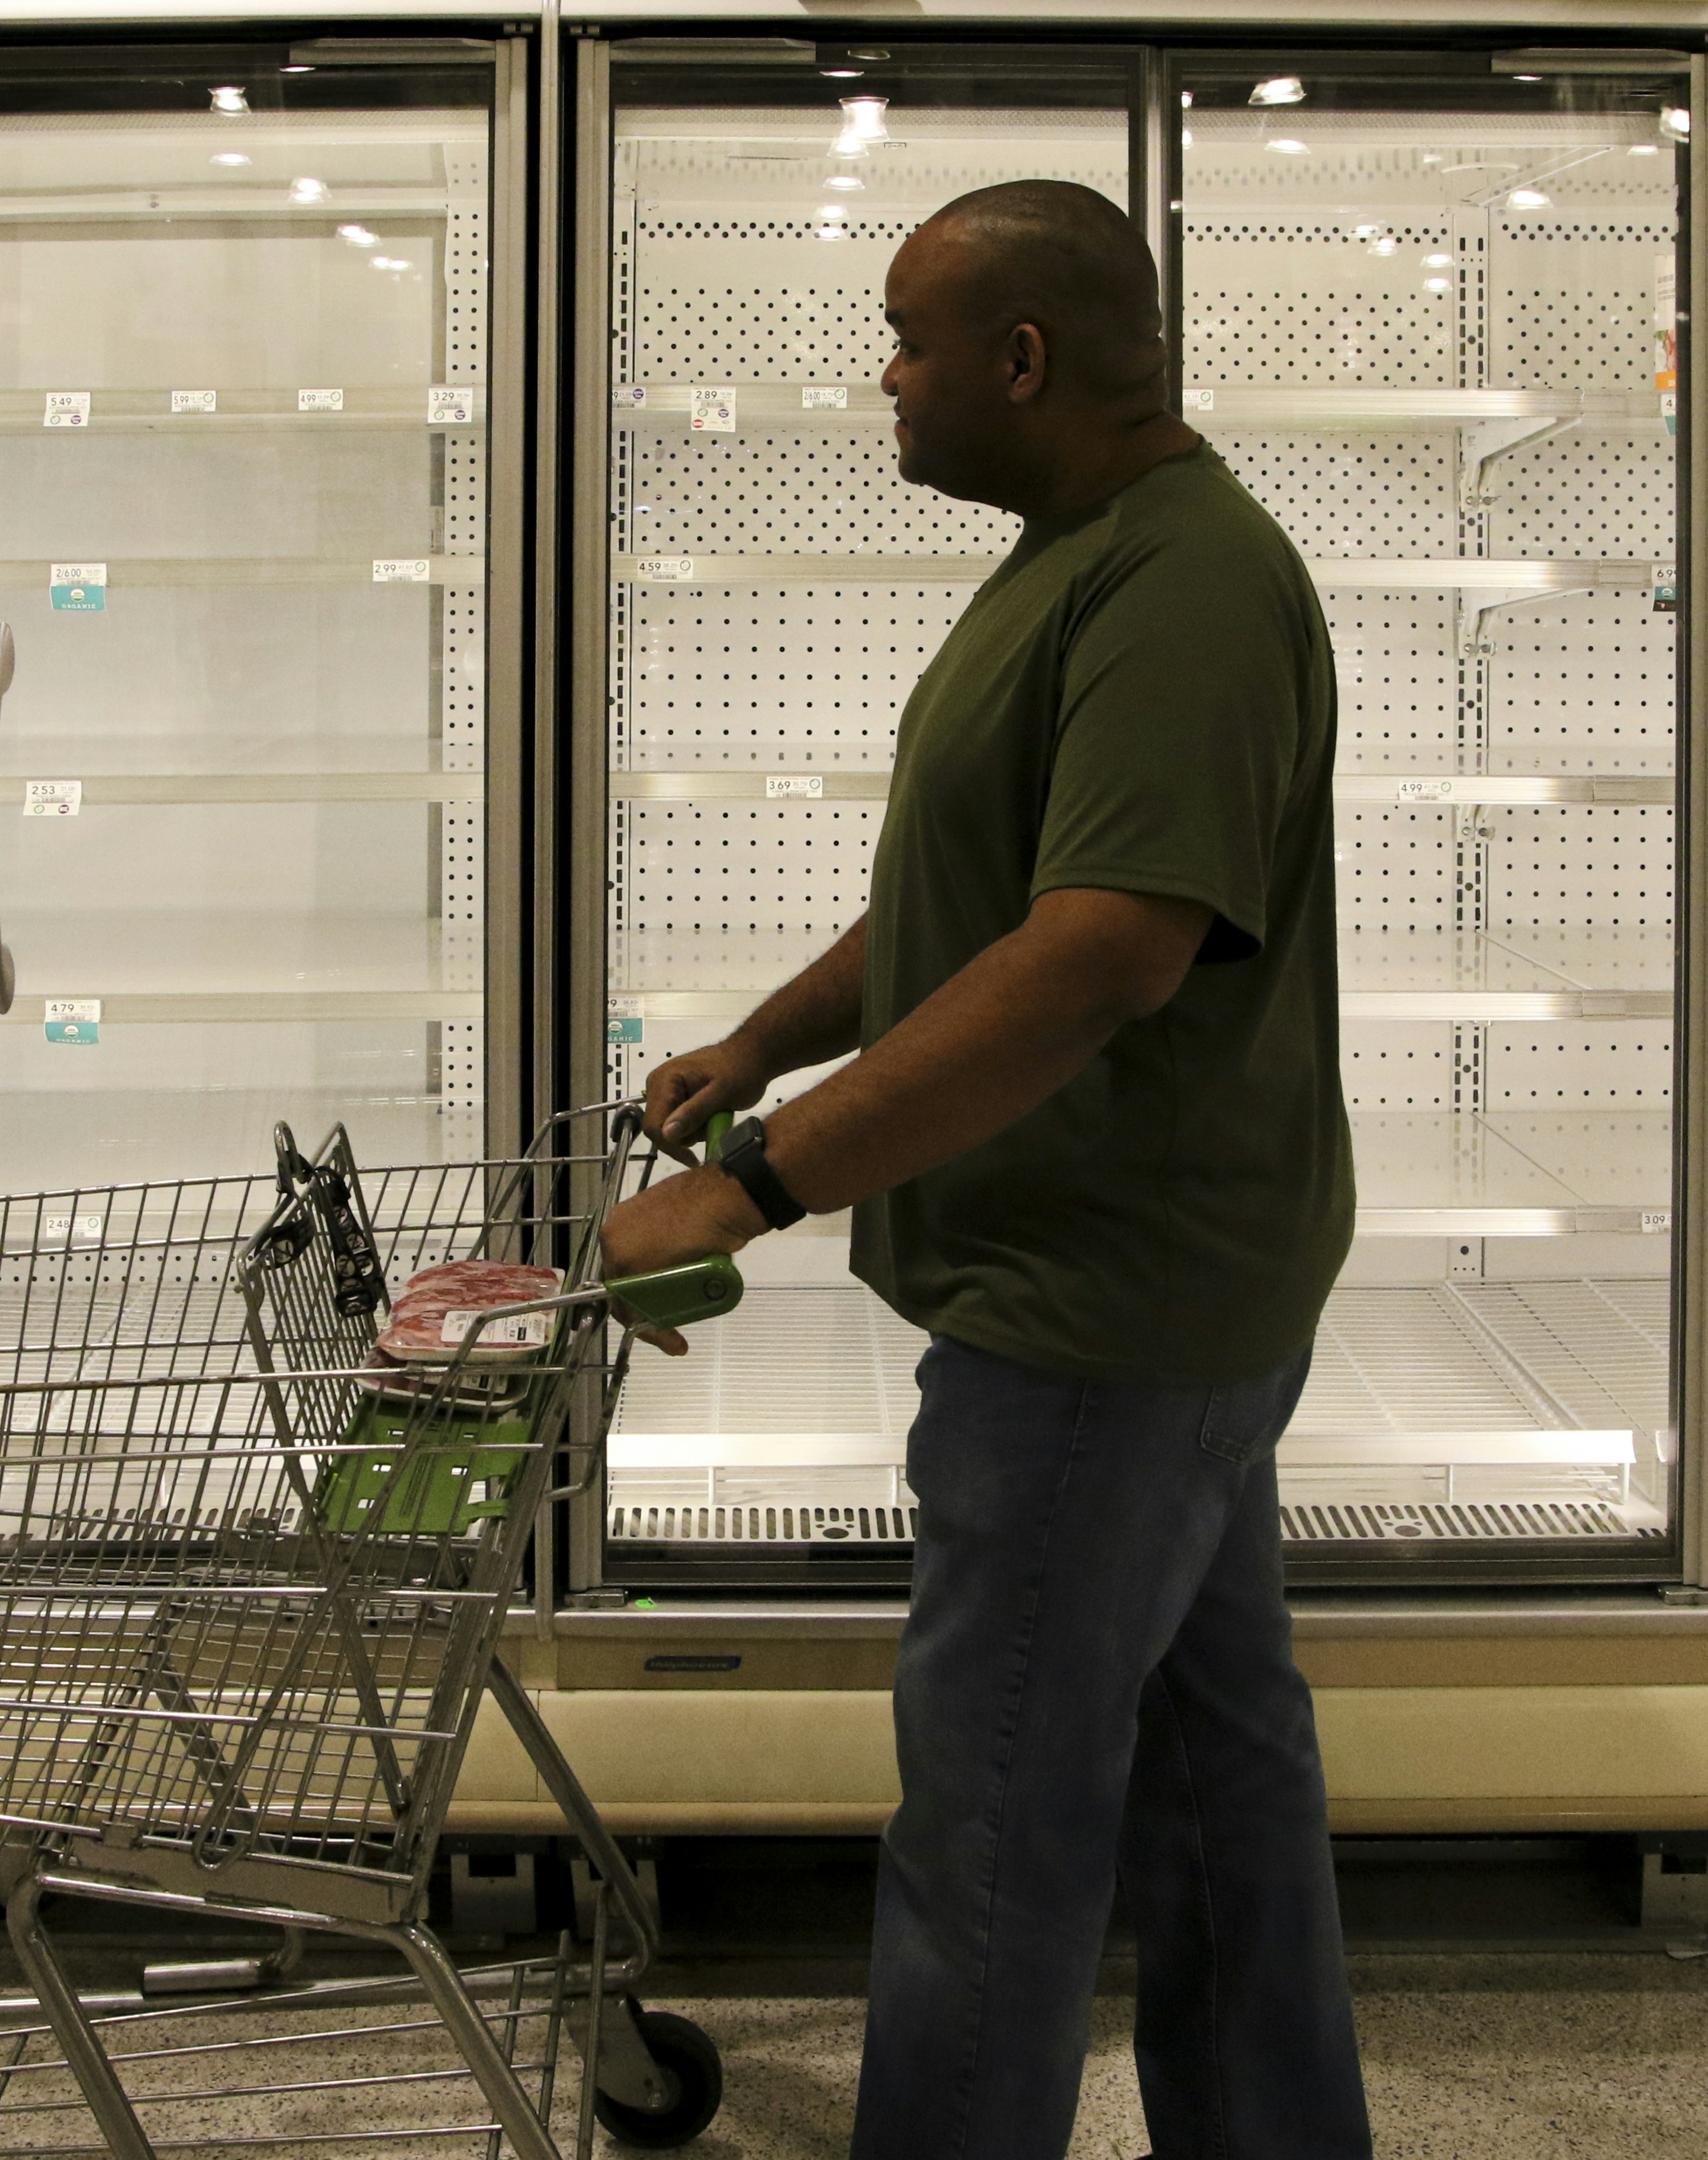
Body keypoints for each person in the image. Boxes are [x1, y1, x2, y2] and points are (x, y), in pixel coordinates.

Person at [591, 176, 1369, 2159]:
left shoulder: (1184, 584)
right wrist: (767, 1042)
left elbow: (1098, 949)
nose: (889, 376)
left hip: (1100, 1316)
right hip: (1151, 1300)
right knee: (1217, 1790)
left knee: (995, 1833)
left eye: (910, 340)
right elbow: (989, 893)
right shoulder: (1080, 555)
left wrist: (754, 1184)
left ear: (1022, 359)